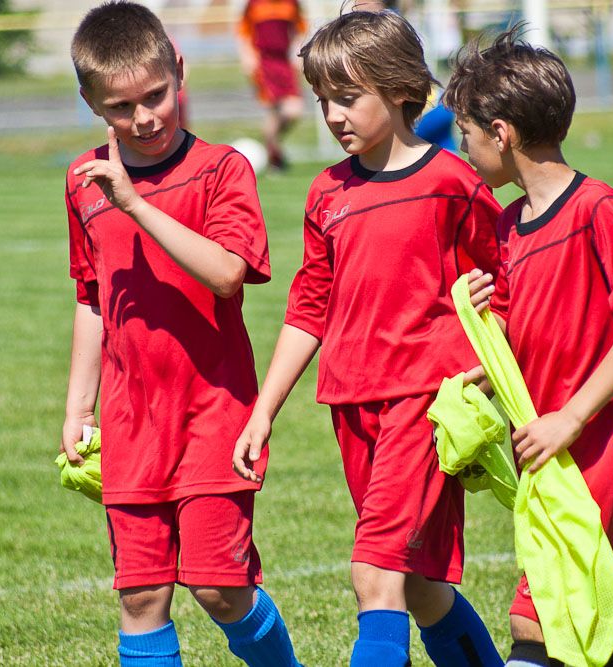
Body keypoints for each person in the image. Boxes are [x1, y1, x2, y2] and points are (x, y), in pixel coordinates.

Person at [233, 10, 505, 667]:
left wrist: (490, 347)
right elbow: (309, 308)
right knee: (420, 587)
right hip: (351, 403)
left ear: (401, 88)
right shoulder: (327, 192)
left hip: (425, 399)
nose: (331, 115)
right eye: (323, 99)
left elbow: (508, 277)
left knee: (373, 573)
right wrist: (263, 410)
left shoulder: (451, 183)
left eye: (348, 98)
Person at [444, 27, 613, 667]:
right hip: (543, 442)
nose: (463, 152)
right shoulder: (508, 224)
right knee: (600, 605)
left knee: (542, 614)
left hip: (596, 442)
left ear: (501, 133)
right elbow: (526, 329)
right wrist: (483, 363)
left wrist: (572, 417)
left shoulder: (597, 209)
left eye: (467, 136)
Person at [62, 3, 300, 665]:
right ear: (92, 105)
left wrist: (134, 204)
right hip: (132, 420)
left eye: (156, 96)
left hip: (214, 415)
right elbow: (92, 296)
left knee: (220, 587)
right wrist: (79, 406)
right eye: (121, 107)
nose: (144, 118)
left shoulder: (223, 169)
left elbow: (227, 273)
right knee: (140, 594)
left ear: (180, 74)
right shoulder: (84, 182)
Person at [237, 0, 307, 170]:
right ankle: (275, 157)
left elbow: (300, 29)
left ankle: (271, 144)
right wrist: (247, 57)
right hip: (264, 64)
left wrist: (298, 53)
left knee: (294, 110)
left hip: (284, 63)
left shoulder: (291, 3)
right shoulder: (254, 4)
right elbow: (243, 33)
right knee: (273, 110)